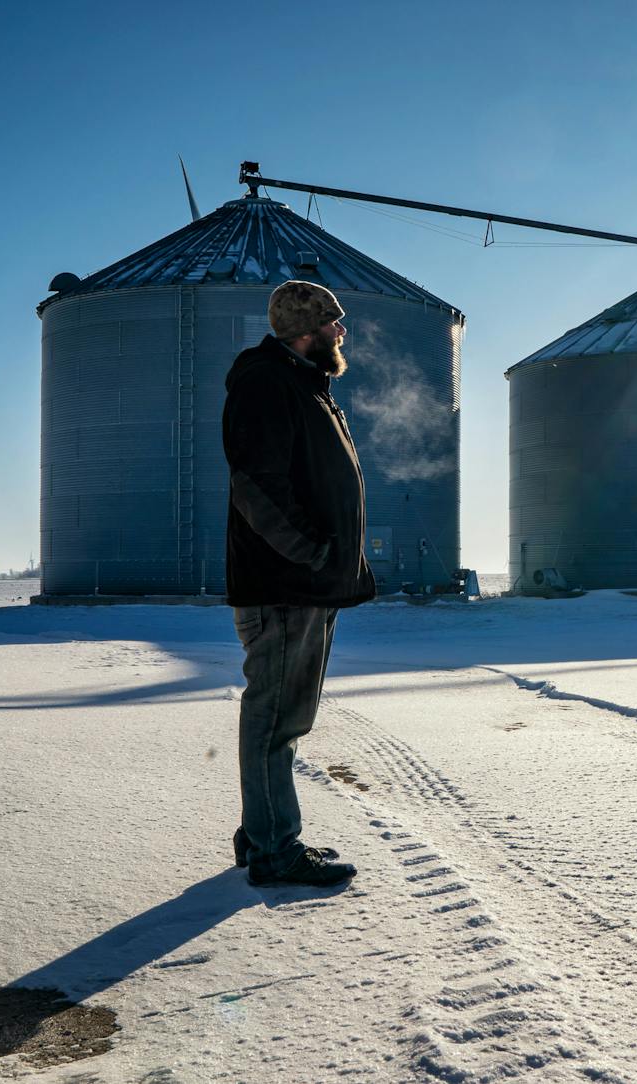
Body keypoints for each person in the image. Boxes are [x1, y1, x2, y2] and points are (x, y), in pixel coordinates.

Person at [222, 280, 375, 886]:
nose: (343, 333)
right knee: (277, 718)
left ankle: (259, 831)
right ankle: (274, 850)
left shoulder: (305, 385)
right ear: (308, 329)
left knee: (285, 714)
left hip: (305, 584)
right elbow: (256, 486)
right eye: (335, 324)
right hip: (286, 585)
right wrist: (310, 556)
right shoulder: (268, 382)